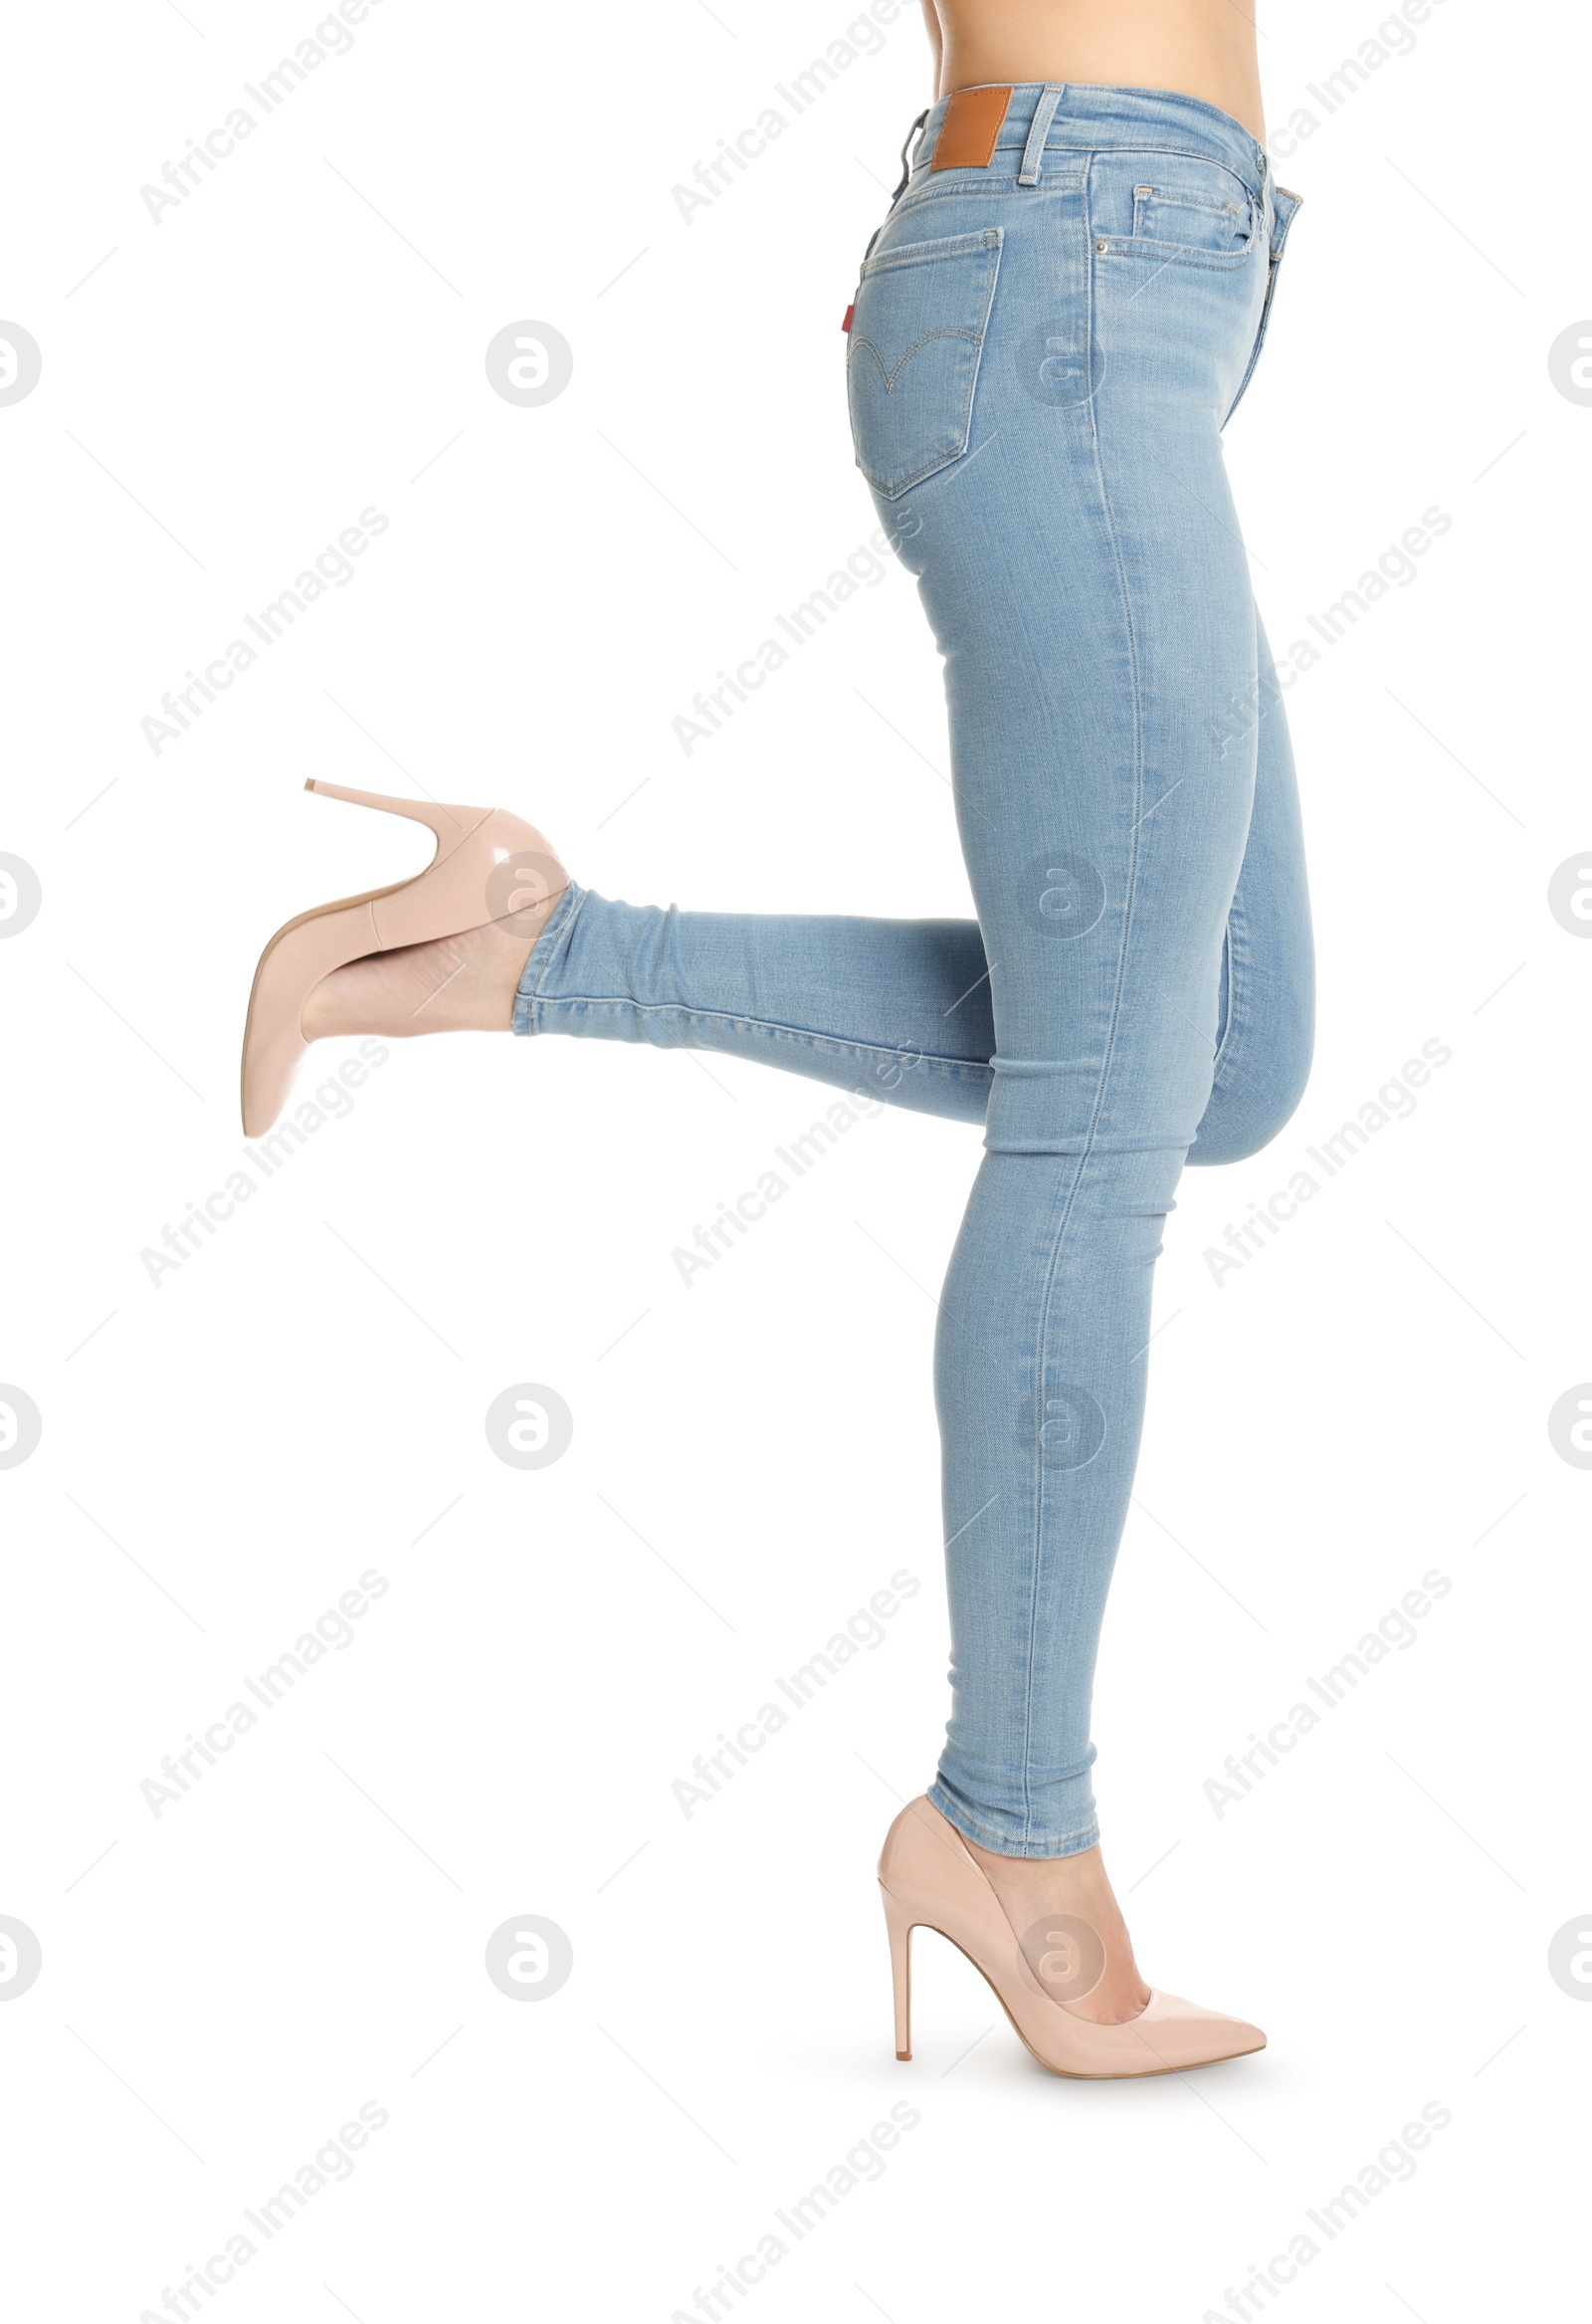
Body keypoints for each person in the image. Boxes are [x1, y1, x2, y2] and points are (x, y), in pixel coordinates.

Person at [242, 0, 1309, 2076]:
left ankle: (533, 949)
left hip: (1143, 273)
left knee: (1227, 1058)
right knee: (1101, 1122)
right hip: (1067, 263)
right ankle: (1010, 1838)